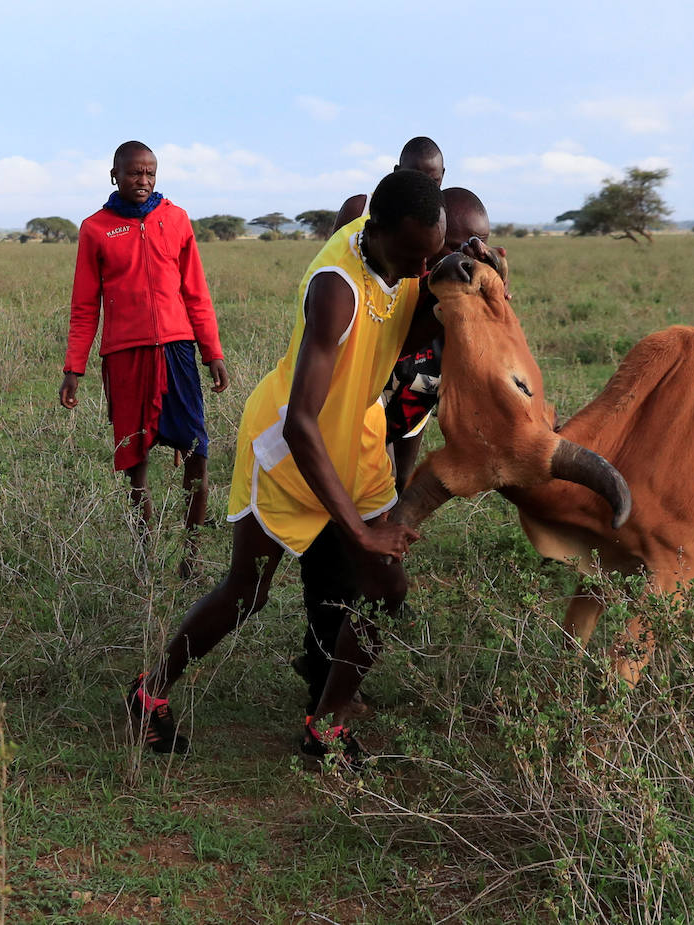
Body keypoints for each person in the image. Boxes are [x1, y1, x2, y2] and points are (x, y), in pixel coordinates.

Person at [124, 169, 446, 758]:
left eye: (430, 259)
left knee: (386, 588)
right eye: (412, 258)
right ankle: (149, 693)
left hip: (360, 439)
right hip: (289, 447)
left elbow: (406, 323)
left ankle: (325, 722)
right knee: (248, 591)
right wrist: (358, 532)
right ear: (375, 232)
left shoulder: (401, 257)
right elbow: (302, 423)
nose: (418, 273)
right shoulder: (336, 291)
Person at [293, 187, 495, 717]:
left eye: (452, 250)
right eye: (436, 250)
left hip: (376, 429)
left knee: (374, 571)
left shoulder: (421, 273)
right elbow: (307, 414)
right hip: (332, 433)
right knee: (326, 564)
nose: (435, 263)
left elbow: (434, 364)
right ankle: (323, 683)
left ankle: (332, 692)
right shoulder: (364, 275)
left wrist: (489, 287)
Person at [59, 141, 229, 577]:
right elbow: (84, 306)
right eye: (135, 173)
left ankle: (191, 556)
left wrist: (212, 352)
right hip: (125, 355)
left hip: (177, 350)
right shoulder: (95, 228)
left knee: (197, 451)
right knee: (135, 461)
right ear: (114, 175)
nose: (144, 181)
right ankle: (145, 555)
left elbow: (196, 292)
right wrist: (73, 368)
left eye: (151, 173)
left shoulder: (175, 219)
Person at [335, 136, 445, 229]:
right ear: (397, 172)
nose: (423, 190)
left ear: (442, 175)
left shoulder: (444, 220)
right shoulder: (359, 210)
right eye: (413, 179)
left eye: (433, 182)